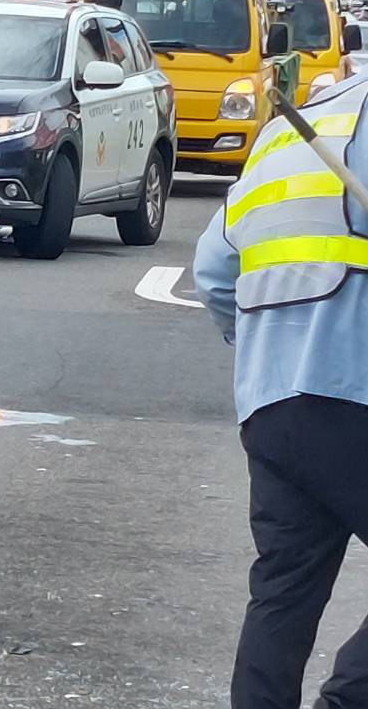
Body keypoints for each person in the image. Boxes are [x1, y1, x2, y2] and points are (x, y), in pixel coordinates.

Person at [194, 69, 368, 709]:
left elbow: (214, 271)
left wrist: (271, 344)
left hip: (272, 400)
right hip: (356, 390)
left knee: (283, 593)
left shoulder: (286, 132)